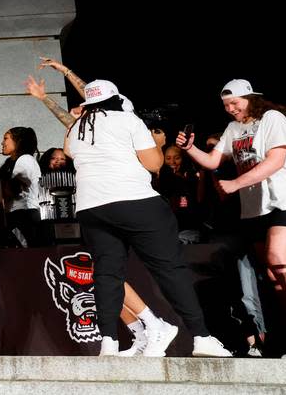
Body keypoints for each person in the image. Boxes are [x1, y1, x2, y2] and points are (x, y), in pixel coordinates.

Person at [64, 80, 231, 357]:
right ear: (116, 100)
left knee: (107, 275)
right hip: (135, 202)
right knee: (169, 269)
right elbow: (154, 164)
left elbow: (70, 152)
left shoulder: (77, 126)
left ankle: (109, 343)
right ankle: (202, 337)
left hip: (91, 207)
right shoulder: (128, 120)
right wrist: (156, 143)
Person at [178, 79, 286, 358]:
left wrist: (236, 183)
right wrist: (190, 149)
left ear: (251, 98)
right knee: (271, 271)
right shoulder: (234, 129)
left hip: (284, 200)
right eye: (226, 105)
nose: (231, 109)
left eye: (235, 103)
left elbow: (276, 160)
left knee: (279, 259)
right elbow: (212, 161)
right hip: (255, 208)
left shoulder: (272, 118)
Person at [0, 127, 44, 247]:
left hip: (24, 216)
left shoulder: (25, 160)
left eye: (5, 138)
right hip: (19, 215)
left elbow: (13, 189)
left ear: (18, 141)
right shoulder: (12, 162)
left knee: (26, 254)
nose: (2, 143)